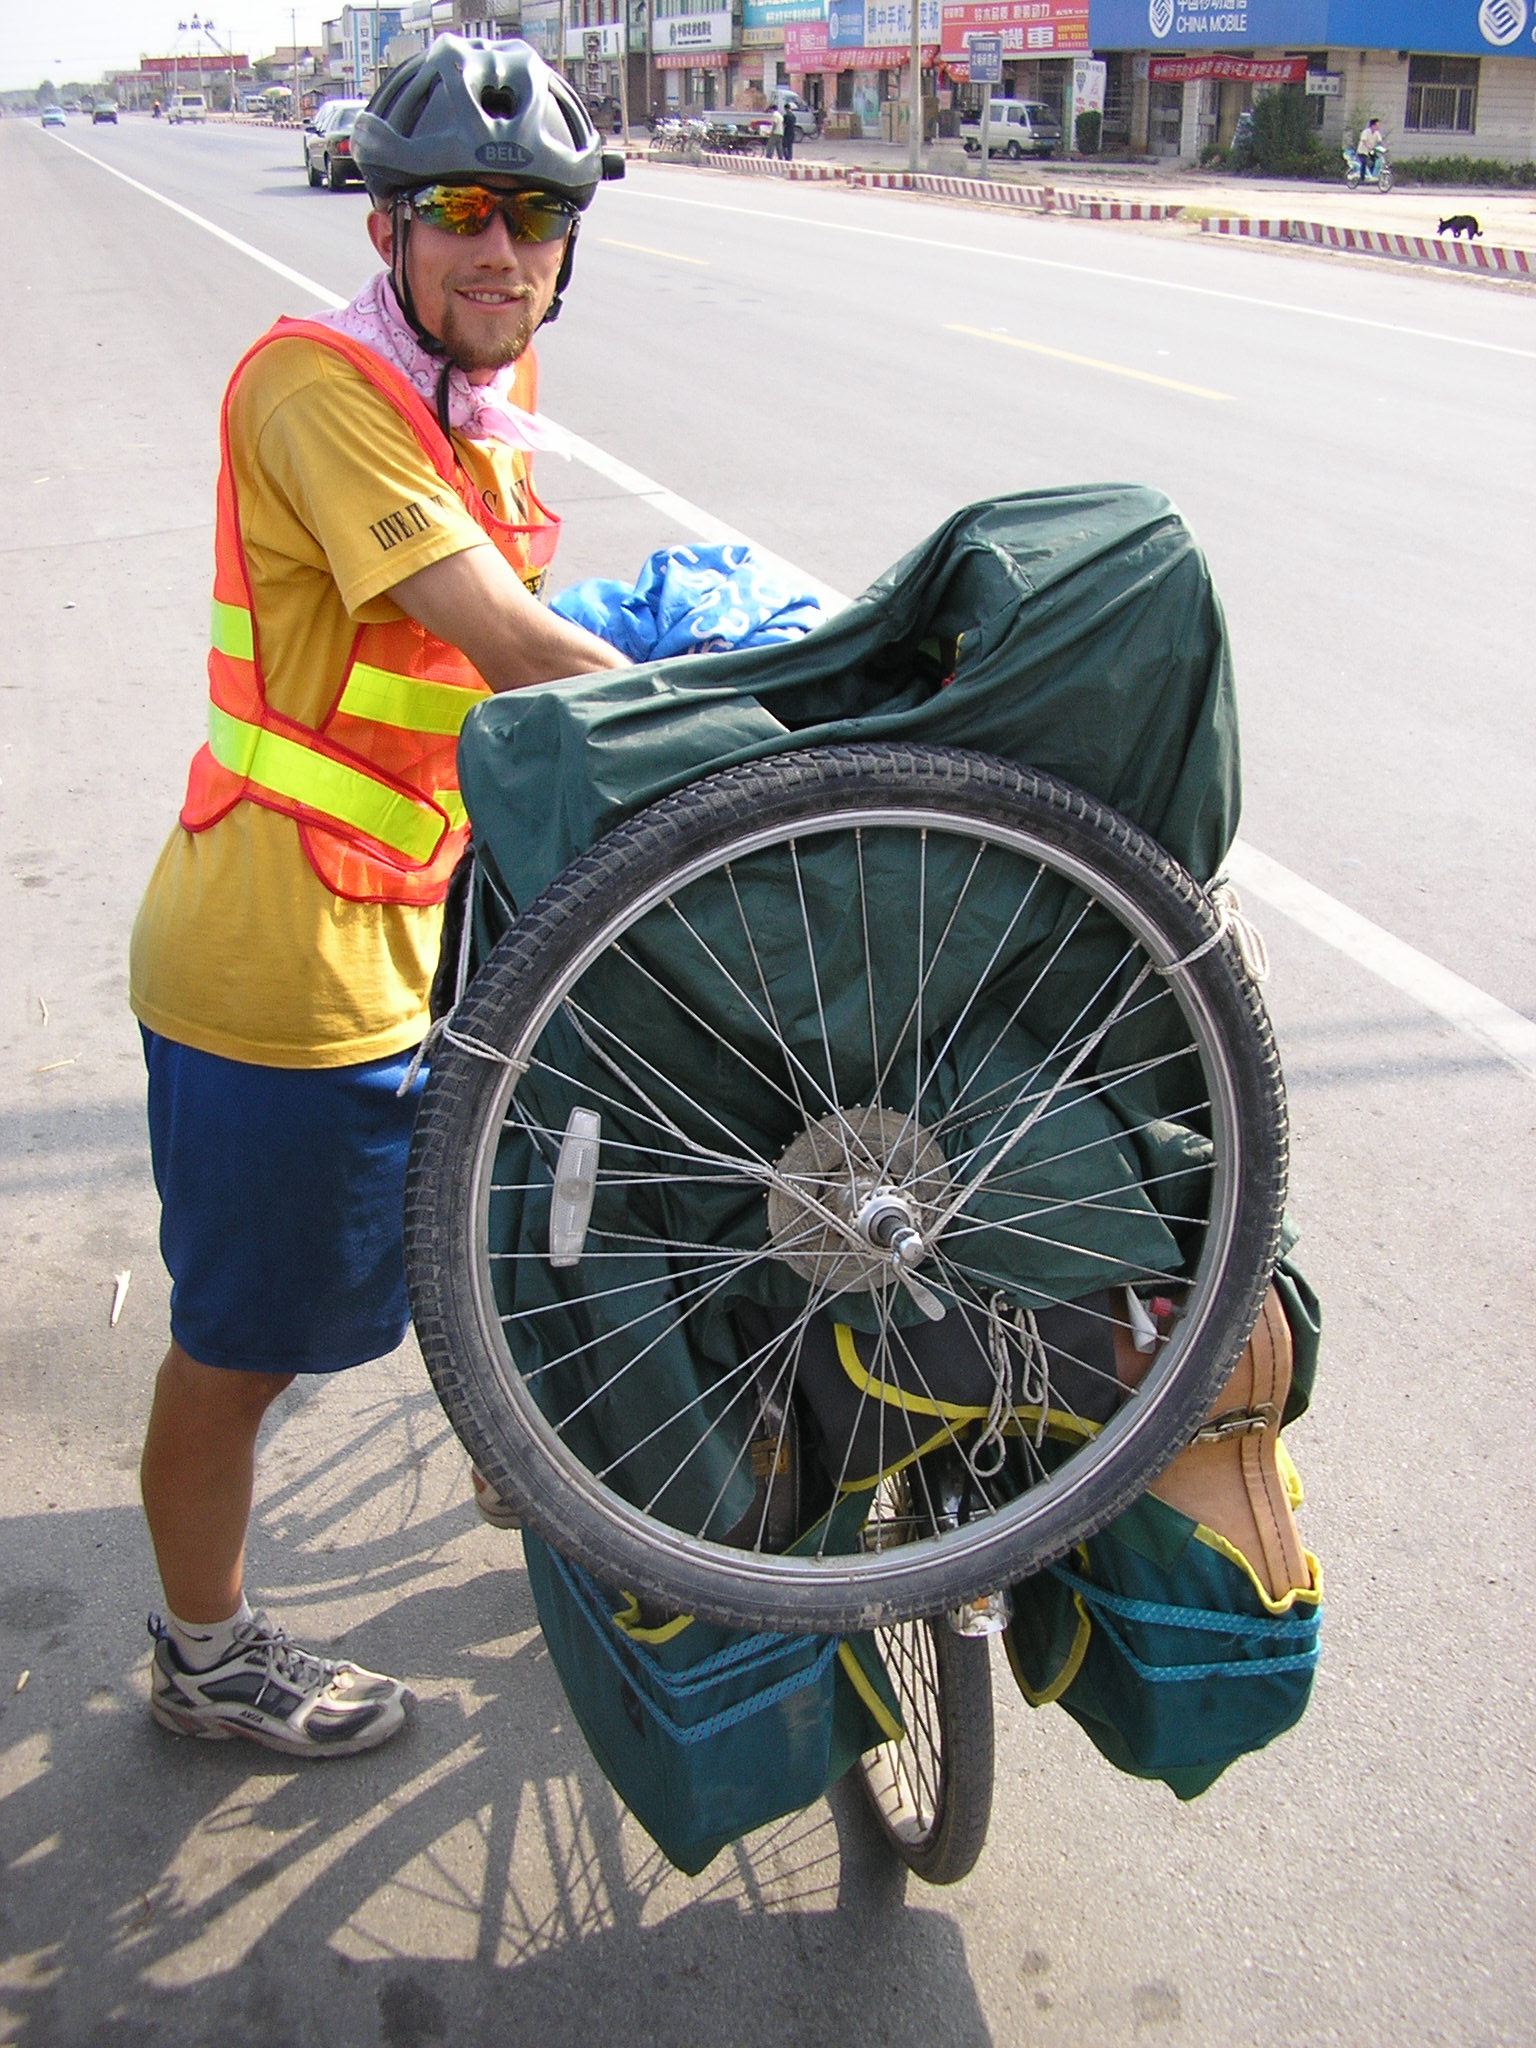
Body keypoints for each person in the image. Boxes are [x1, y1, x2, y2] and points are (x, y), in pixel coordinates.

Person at [129, 35, 628, 1759]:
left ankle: (503, 1443)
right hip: (278, 961)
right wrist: (787, 709)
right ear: (395, 229)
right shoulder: (318, 387)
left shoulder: (480, 395)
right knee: (242, 1350)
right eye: (462, 213)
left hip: (407, 918)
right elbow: (506, 645)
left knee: (473, 1234)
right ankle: (201, 1657)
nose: (502, 252)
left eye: (536, 218)